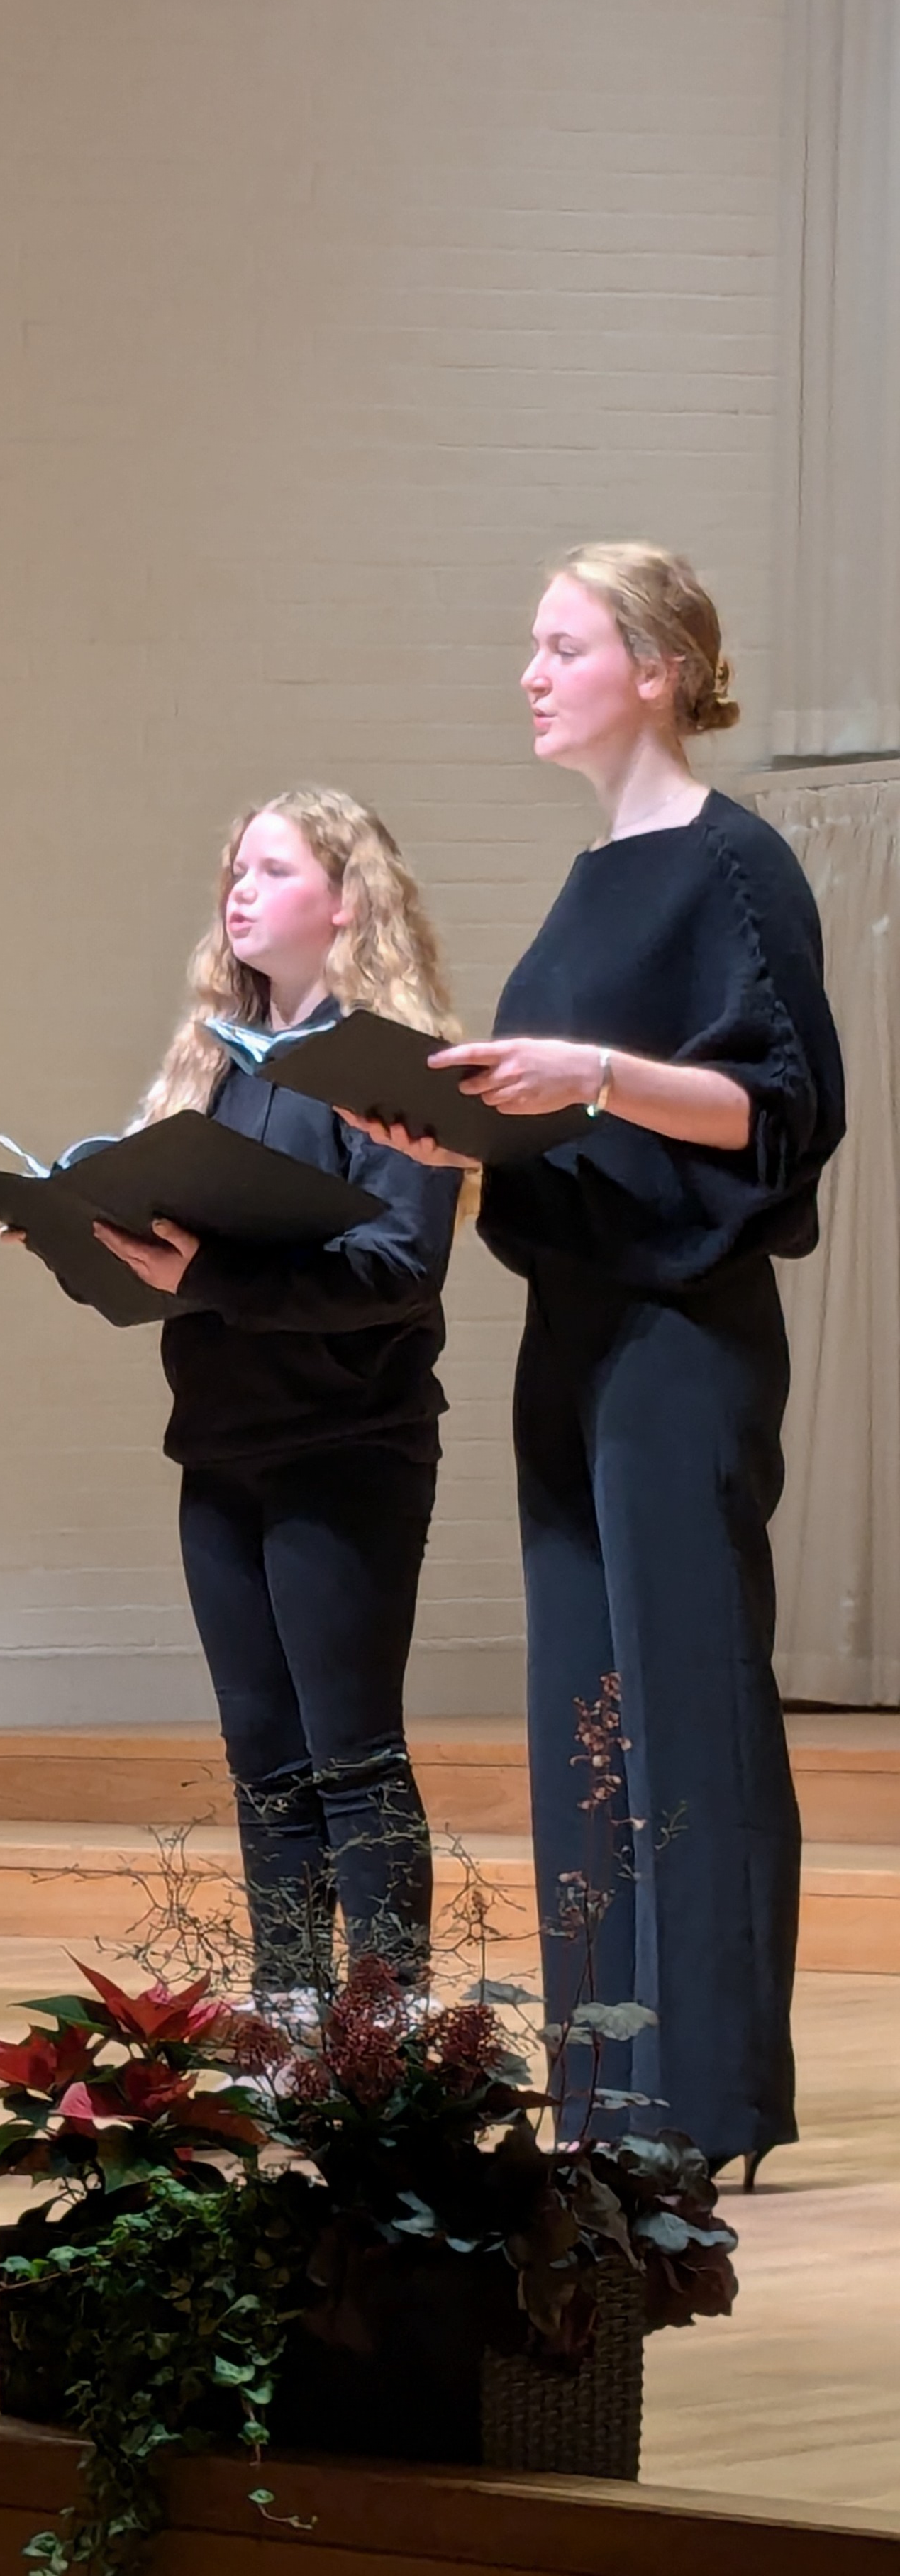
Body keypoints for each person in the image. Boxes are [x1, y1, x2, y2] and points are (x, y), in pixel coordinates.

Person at [357, 543, 845, 2181]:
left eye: (562, 645)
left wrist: (596, 1073)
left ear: (655, 664)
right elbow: (564, 1120)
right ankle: (609, 2098)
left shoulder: (734, 865)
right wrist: (435, 1123)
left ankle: (710, 2100)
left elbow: (782, 1111)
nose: (531, 673)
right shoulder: (585, 886)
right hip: (572, 1328)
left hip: (683, 1335)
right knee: (585, 1714)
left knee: (682, 1705)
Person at [45, 791, 463, 2011]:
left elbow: (395, 1269)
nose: (236, 888)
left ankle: (385, 2021)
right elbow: (192, 1265)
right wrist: (95, 1237)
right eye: (231, 868)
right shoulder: (213, 1065)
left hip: (348, 1441)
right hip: (220, 1443)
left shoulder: (391, 1063)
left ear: (343, 898)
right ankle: (286, 2012)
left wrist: (211, 1269)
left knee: (350, 1751)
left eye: (269, 869)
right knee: (262, 1759)